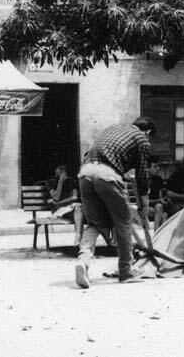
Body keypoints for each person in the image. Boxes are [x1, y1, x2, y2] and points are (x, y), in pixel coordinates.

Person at [74, 117, 155, 289]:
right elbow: (141, 175)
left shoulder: (114, 128)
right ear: (148, 132)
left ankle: (84, 261)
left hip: (85, 173)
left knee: (95, 223)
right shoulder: (142, 139)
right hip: (107, 174)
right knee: (123, 222)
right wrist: (144, 204)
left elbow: (90, 154)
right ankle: (126, 271)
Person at [47, 165, 84, 246]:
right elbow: (56, 197)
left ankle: (77, 239)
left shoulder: (72, 181)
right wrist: (60, 181)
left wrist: (58, 202)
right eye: (59, 168)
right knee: (78, 209)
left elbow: (75, 197)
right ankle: (79, 240)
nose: (61, 171)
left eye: (63, 169)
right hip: (59, 211)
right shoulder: (51, 182)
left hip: (71, 209)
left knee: (78, 206)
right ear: (55, 170)